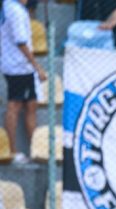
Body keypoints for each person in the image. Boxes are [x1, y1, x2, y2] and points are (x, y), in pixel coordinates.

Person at [1, 0, 47, 164]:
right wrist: (37, 66)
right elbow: (21, 42)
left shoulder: (11, 6)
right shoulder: (15, 11)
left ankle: (36, 150)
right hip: (18, 66)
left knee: (31, 105)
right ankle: (13, 151)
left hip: (18, 65)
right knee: (15, 105)